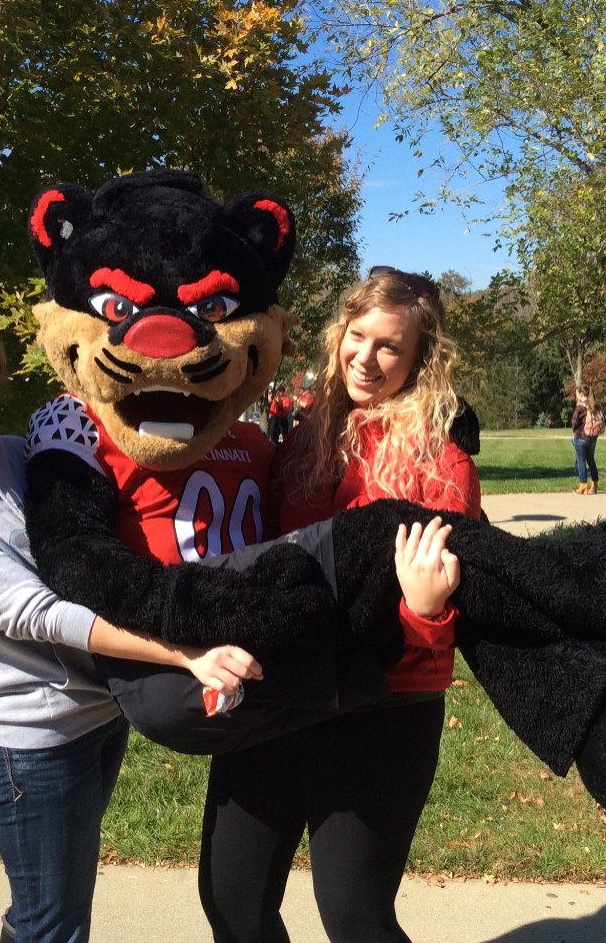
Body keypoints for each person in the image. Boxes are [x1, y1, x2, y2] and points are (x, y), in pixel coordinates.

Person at [0, 299, 262, 943]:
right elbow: (47, 615)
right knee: (51, 923)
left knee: (49, 913)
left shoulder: (21, 456)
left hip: (96, 715)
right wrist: (184, 652)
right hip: (33, 741)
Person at [198, 266, 482, 943]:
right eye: (358, 336)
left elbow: (450, 607)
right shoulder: (297, 443)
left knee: (354, 916)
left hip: (381, 703)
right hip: (279, 694)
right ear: (338, 336)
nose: (367, 356)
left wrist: (427, 610)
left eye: (391, 346)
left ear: (419, 361)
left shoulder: (441, 462)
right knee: (231, 900)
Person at [571, 385, 602, 494]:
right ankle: (595, 484)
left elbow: (574, 422)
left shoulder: (580, 407)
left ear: (581, 395)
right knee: (591, 460)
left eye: (577, 393)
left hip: (581, 437)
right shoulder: (594, 405)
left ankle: (583, 484)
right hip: (593, 437)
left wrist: (574, 431)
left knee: (581, 460)